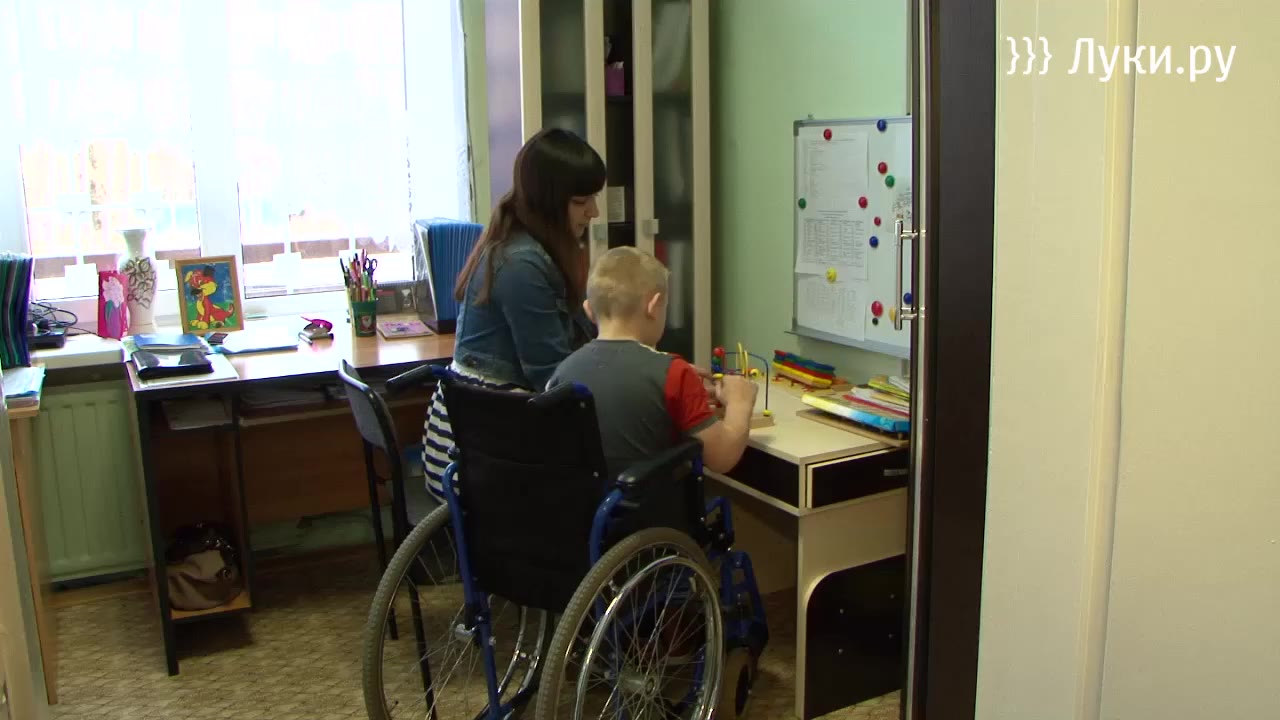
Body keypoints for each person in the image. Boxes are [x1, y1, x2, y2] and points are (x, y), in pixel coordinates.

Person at [421, 128, 604, 499]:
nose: (594, 211)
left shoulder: (527, 247)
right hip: (475, 465)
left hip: (482, 449)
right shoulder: (522, 264)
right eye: (580, 200)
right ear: (547, 202)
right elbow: (554, 379)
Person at [549, 247, 758, 479]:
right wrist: (740, 402)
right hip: (654, 501)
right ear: (654, 306)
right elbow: (722, 458)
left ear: (588, 310)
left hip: (585, 501)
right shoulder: (674, 373)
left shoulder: (561, 373)